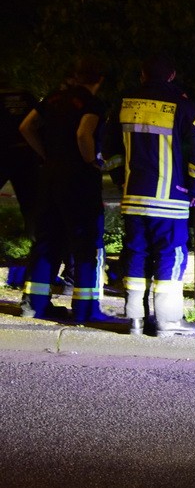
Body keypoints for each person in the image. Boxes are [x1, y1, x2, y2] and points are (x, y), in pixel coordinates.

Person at [103, 55, 195, 337]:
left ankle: (135, 320)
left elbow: (109, 152)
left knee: (136, 254)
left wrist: (122, 181)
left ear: (142, 75)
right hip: (170, 199)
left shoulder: (124, 105)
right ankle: (168, 320)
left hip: (134, 196)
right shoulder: (183, 106)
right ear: (172, 75)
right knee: (170, 254)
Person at [18, 57, 112, 322]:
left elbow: (25, 127)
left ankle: (33, 304)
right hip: (78, 181)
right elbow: (84, 134)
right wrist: (91, 161)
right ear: (99, 79)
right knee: (85, 244)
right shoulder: (93, 104)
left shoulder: (53, 99)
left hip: (49, 178)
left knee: (47, 241)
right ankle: (85, 310)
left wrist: (46, 154)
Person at [0, 79, 42, 233]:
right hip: (26, 155)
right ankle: (38, 244)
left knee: (32, 205)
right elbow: (38, 123)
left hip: (3, 154)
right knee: (32, 206)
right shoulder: (26, 96)